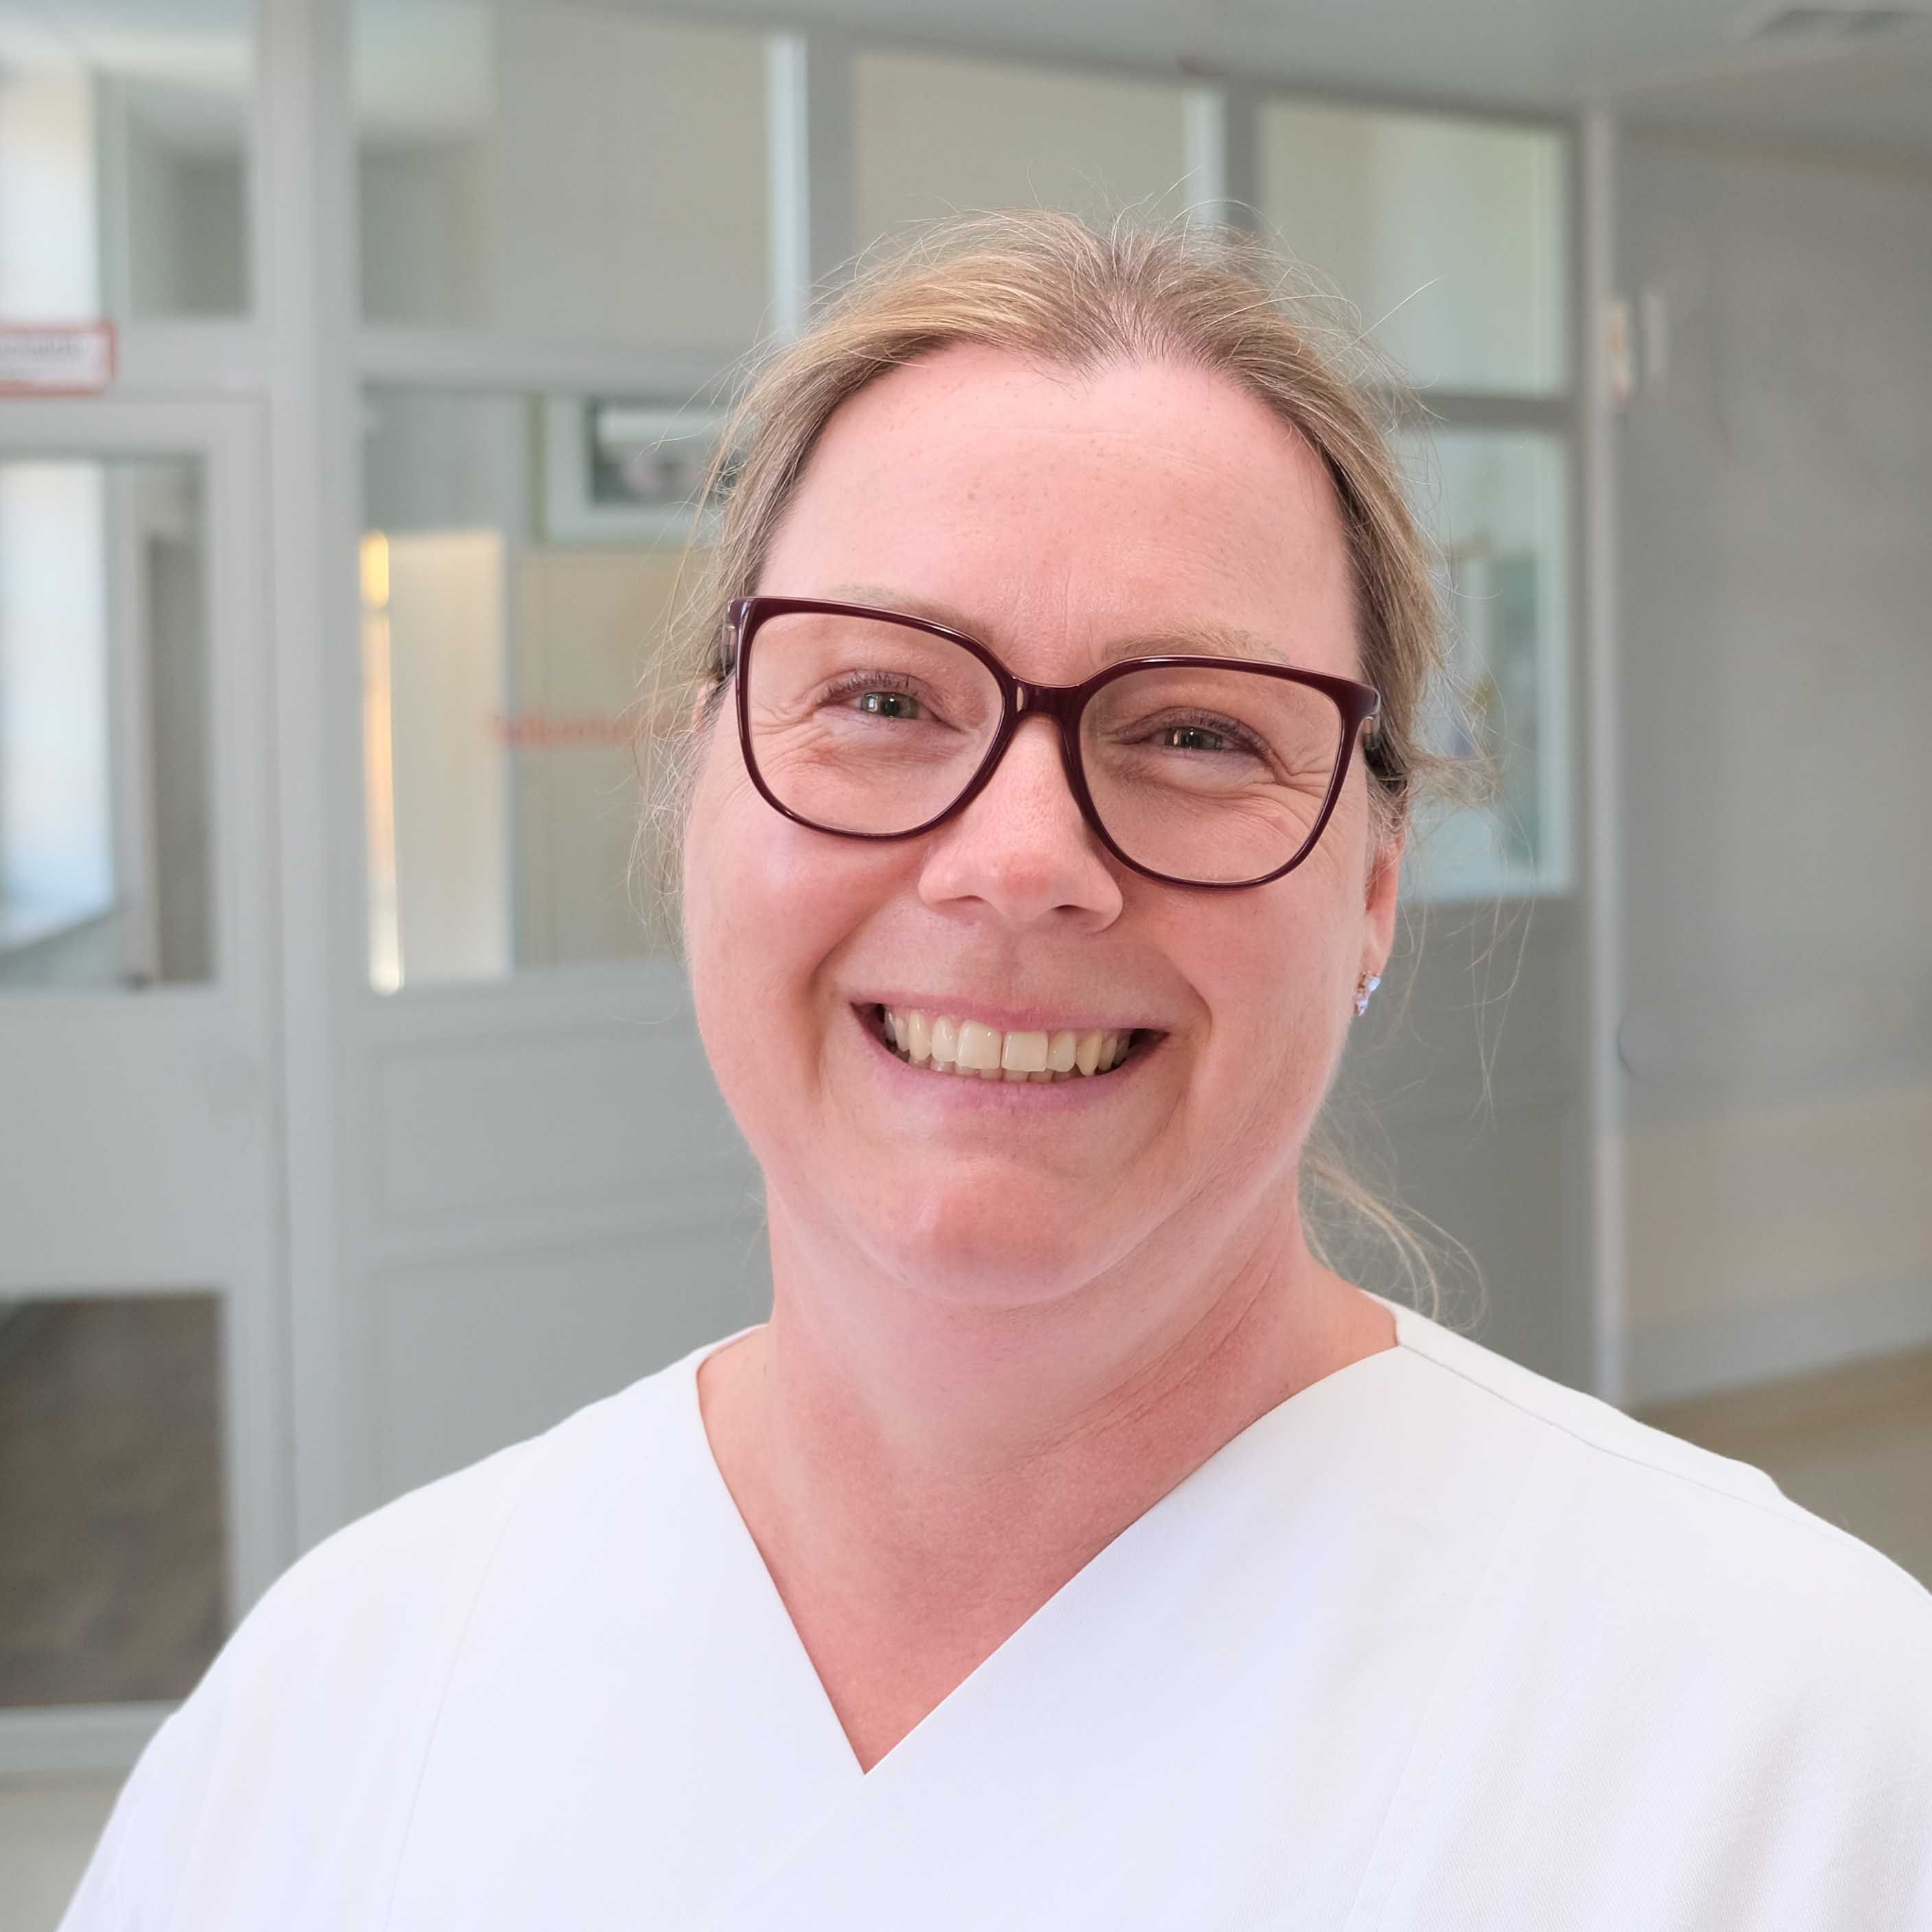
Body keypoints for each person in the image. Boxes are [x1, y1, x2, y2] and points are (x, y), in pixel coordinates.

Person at [62, 213, 1931, 1931]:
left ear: (1372, 890)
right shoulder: (339, 1713)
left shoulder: (1791, 1759)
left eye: (1198, 730)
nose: (1019, 855)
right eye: (882, 698)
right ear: (692, 787)